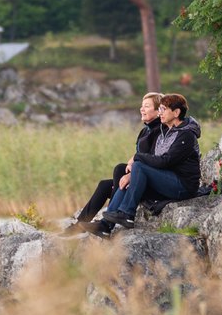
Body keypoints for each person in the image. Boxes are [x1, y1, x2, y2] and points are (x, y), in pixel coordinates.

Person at [65, 92, 164, 237]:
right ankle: (79, 225)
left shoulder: (160, 131)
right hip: (139, 174)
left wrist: (132, 171)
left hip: (147, 181)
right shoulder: (145, 131)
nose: (141, 109)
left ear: (158, 111)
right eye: (141, 106)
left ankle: (108, 220)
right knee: (105, 184)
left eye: (147, 106)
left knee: (119, 170)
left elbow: (154, 159)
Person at [101, 93, 201, 230]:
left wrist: (137, 157)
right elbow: (155, 159)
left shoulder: (186, 135)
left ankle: (127, 214)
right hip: (166, 180)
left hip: (182, 186)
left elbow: (165, 161)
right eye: (159, 109)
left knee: (139, 166)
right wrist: (132, 174)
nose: (160, 113)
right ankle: (105, 226)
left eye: (163, 109)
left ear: (176, 112)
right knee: (130, 180)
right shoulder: (165, 132)